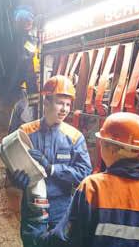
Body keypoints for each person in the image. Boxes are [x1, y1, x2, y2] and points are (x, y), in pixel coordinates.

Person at [25, 112, 139, 247]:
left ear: (111, 148)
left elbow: (65, 239)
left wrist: (36, 233)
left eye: (101, 142)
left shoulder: (93, 187)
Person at [10, 75, 92, 246]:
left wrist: (52, 168)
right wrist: (16, 179)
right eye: (60, 103)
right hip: (33, 207)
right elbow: (12, 165)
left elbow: (84, 174)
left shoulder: (75, 137)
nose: (65, 109)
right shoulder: (25, 132)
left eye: (68, 104)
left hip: (62, 210)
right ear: (46, 102)